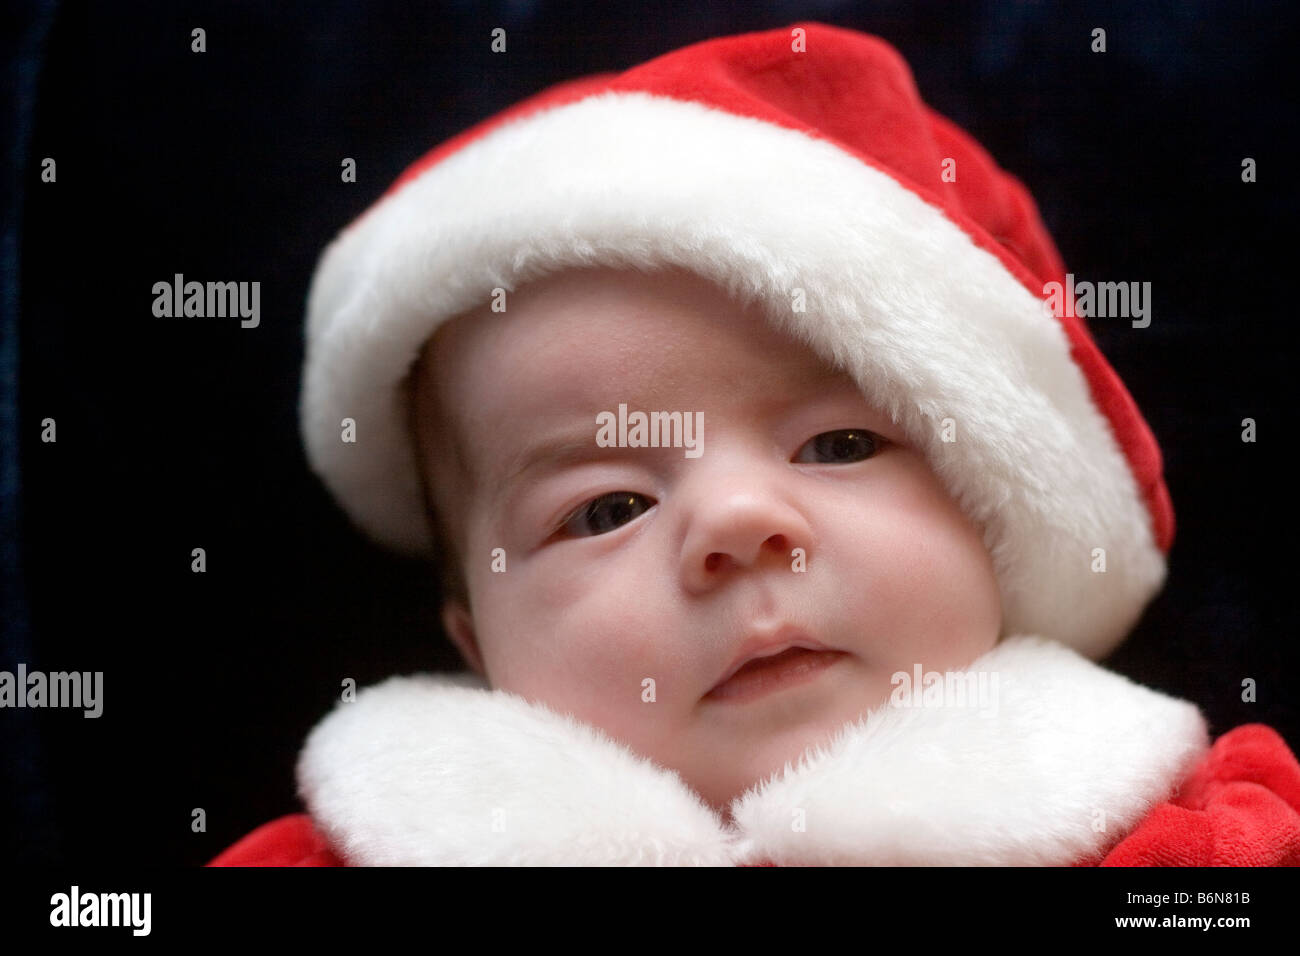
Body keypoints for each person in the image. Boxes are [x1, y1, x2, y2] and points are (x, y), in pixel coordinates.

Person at [209, 22, 1300, 866]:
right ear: (478, 643)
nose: (736, 523)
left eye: (836, 443)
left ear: (994, 500)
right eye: (606, 508)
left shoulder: (1179, 841)